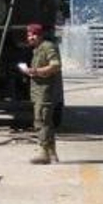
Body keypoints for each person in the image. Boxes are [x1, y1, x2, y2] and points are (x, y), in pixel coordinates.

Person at [22, 23, 63, 164]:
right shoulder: (37, 49)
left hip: (46, 90)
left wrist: (36, 71)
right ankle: (52, 154)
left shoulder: (47, 47)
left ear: (39, 35)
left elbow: (55, 65)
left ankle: (43, 152)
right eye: (28, 35)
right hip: (39, 90)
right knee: (46, 121)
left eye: (33, 35)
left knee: (42, 121)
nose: (30, 37)